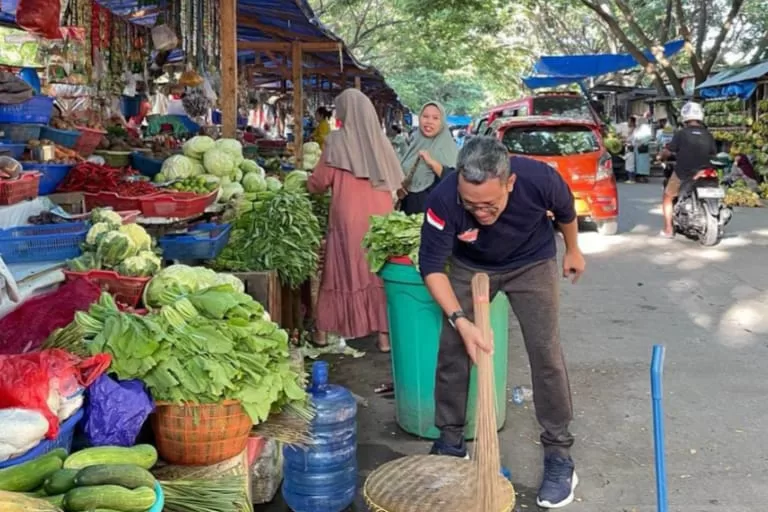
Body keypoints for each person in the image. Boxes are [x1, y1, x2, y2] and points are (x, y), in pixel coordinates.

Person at [419, 136, 585, 509]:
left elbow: (566, 212)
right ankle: (450, 441)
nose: (480, 212)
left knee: (545, 353)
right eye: (471, 204)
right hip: (471, 265)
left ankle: (559, 454)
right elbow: (431, 267)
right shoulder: (444, 199)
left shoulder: (538, 178)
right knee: (452, 347)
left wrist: (573, 250)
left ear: (509, 182)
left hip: (532, 261)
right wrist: (461, 321)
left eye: (490, 204)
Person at [307, 89, 403, 353]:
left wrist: (306, 182)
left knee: (339, 271)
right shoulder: (380, 141)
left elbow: (318, 182)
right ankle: (384, 338)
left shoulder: (337, 142)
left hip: (348, 219)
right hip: (380, 218)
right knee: (377, 272)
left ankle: (322, 333)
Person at [659, 102, 717, 238]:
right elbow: (713, 153)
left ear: (684, 117)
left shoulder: (681, 134)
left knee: (667, 196)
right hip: (706, 171)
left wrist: (661, 156)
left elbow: (668, 151)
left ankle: (668, 230)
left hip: (684, 172)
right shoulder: (708, 135)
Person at [398, 102, 459, 215]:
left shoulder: (445, 146)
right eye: (425, 116)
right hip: (407, 209)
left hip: (431, 212)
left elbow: (454, 179)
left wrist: (431, 162)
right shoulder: (415, 141)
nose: (429, 121)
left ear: (442, 122)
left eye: (435, 118)